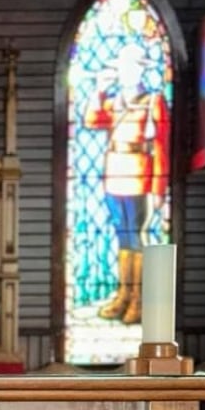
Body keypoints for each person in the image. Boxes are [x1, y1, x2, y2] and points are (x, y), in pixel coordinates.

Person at [84, 41, 171, 325]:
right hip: (115, 174)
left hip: (139, 175)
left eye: (133, 67)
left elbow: (160, 144)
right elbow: (92, 119)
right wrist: (98, 90)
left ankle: (138, 300)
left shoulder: (152, 101)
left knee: (136, 237)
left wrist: (158, 187)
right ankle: (122, 294)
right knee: (123, 236)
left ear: (141, 70)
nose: (128, 72)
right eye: (124, 67)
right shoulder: (115, 100)